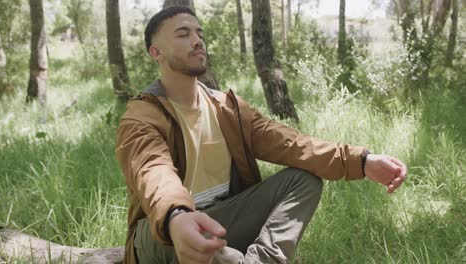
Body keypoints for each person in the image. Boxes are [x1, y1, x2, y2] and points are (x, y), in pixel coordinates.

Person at [115, 6, 407, 264]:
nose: (197, 41)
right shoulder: (142, 115)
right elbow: (153, 171)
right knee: (206, 240)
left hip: (222, 218)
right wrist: (176, 216)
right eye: (183, 34)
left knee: (303, 179)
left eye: (199, 33)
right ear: (156, 52)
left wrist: (362, 161)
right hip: (164, 230)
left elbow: (292, 144)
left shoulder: (226, 108)